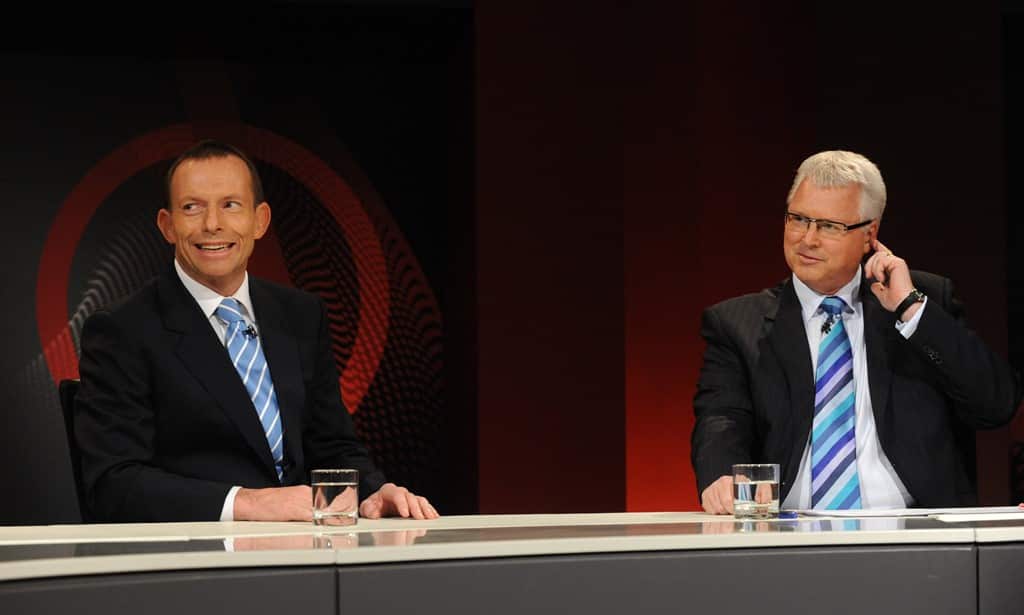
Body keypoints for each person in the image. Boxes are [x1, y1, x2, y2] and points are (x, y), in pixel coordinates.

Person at [75, 139, 439, 522]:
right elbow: (113, 484)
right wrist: (251, 504)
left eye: (230, 205)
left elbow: (331, 444)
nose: (212, 224)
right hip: (195, 562)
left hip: (305, 550)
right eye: (192, 207)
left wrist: (373, 490)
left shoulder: (301, 314)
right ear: (167, 225)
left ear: (260, 220)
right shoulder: (123, 330)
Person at [691, 150, 1021, 514]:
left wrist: (911, 310)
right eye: (799, 219)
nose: (808, 239)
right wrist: (720, 473)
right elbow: (722, 417)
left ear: (869, 234)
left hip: (916, 538)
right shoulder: (738, 323)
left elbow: (995, 405)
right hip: (788, 534)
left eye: (830, 226)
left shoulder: (924, 301)